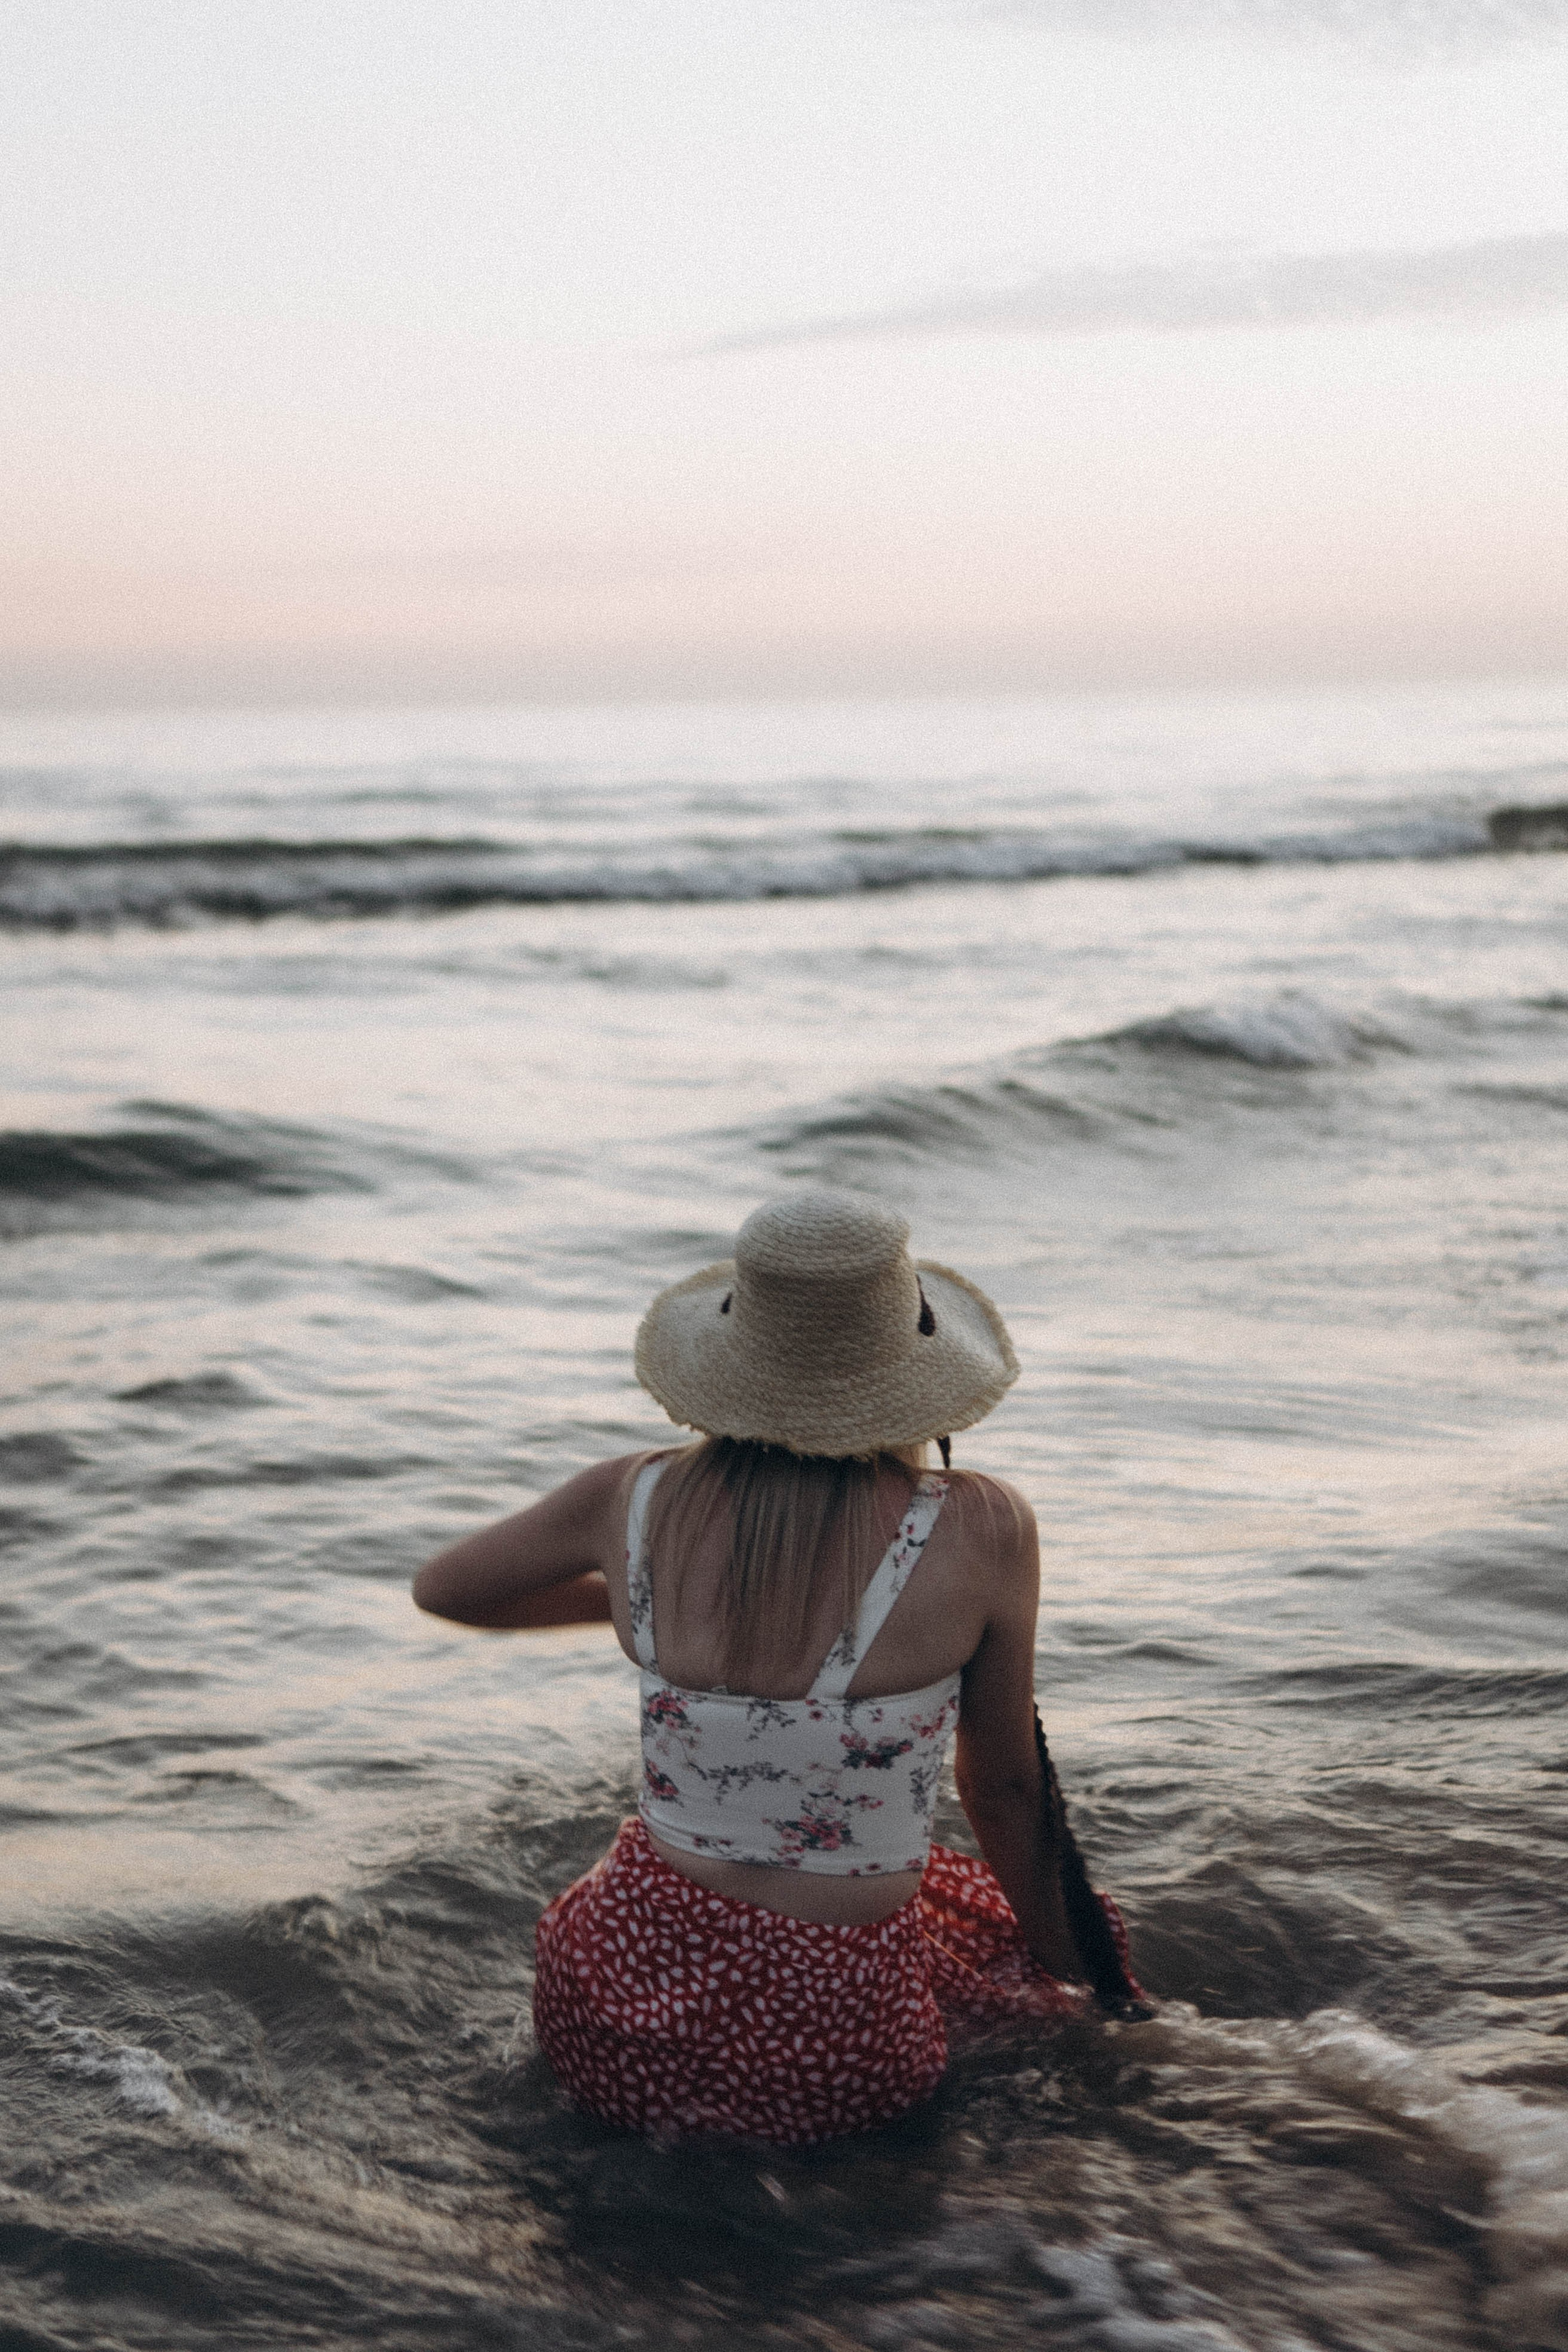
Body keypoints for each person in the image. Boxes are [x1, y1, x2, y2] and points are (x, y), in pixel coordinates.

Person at [413, 1188, 1144, 2147]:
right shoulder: (982, 1527)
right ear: (908, 1364)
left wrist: (630, 1609)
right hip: (834, 2049)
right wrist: (1091, 1996)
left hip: (613, 2011)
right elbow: (1004, 1791)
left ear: (736, 1350)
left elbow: (447, 1588)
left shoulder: (633, 1497)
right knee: (1001, 1983)